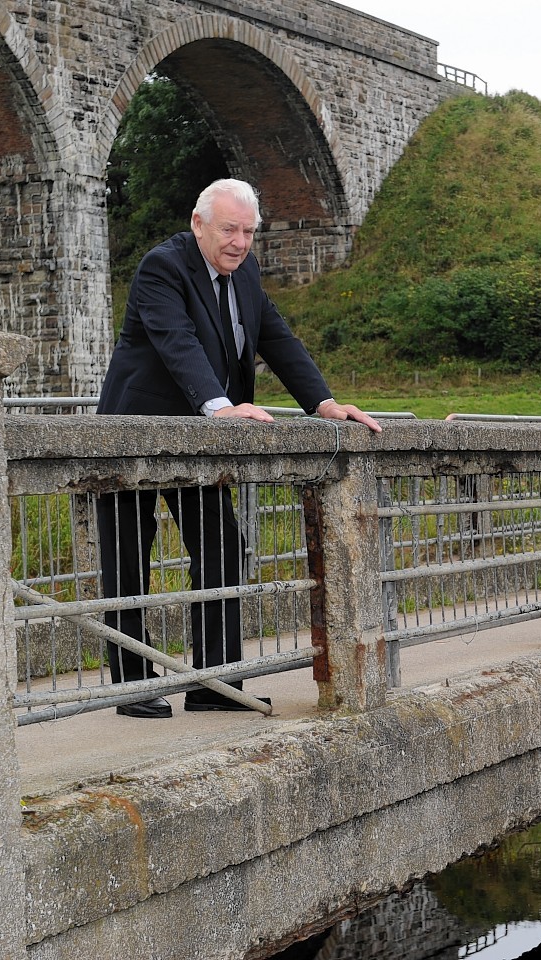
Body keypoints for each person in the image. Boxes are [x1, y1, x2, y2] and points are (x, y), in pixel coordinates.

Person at [96, 178, 382, 719]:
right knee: (129, 557)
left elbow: (277, 339)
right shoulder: (163, 267)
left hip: (200, 440)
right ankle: (132, 685)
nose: (241, 242)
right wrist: (219, 405)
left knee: (223, 547)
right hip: (136, 430)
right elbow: (175, 339)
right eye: (230, 229)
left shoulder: (246, 273)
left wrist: (324, 404)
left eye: (249, 231)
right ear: (198, 224)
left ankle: (215, 683)